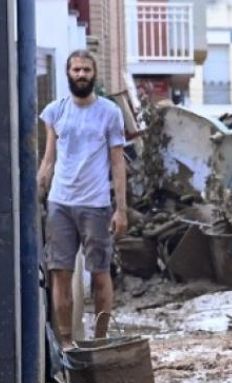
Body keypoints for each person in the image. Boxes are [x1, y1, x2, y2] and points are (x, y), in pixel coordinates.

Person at [36, 49, 127, 347]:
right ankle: (66, 344)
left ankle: (99, 342)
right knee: (60, 274)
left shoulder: (110, 113)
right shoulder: (55, 111)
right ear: (68, 73)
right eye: (76, 70)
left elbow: (117, 163)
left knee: (100, 275)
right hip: (60, 203)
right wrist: (39, 188)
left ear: (94, 74)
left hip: (96, 205)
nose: (81, 75)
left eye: (86, 70)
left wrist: (121, 209)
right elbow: (49, 158)